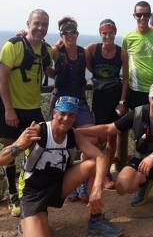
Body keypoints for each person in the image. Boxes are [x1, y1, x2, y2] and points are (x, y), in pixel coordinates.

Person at [0, 96, 123, 237]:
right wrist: (20, 144)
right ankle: (27, 223)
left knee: (93, 165)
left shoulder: (72, 134)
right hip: (32, 192)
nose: (66, 119)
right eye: (62, 114)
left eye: (71, 115)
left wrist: (97, 188)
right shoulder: (39, 131)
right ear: (54, 113)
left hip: (58, 184)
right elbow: (0, 160)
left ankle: (96, 220)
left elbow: (101, 156)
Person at [77, 82, 153, 226]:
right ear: (149, 99)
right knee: (122, 187)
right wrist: (77, 132)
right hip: (140, 159)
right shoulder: (138, 113)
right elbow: (109, 129)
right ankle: (145, 182)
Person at [0, 9, 52, 217]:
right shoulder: (13, 45)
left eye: (44, 24)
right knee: (10, 151)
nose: (40, 28)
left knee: (37, 150)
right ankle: (12, 195)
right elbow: (2, 78)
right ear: (28, 24)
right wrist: (9, 109)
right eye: (37, 23)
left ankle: (28, 190)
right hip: (12, 107)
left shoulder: (46, 49)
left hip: (33, 107)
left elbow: (52, 68)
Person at [47, 16, 94, 201]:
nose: (69, 35)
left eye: (72, 32)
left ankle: (81, 180)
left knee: (90, 138)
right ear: (61, 34)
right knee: (59, 142)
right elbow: (49, 70)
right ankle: (65, 183)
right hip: (60, 101)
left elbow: (95, 66)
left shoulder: (84, 53)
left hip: (79, 101)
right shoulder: (56, 52)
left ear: (77, 33)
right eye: (65, 32)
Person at [85, 19, 129, 189]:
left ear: (115, 32)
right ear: (100, 33)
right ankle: (96, 169)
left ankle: (107, 172)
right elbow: (83, 60)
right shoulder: (92, 49)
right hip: (99, 96)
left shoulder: (122, 53)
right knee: (98, 136)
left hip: (115, 95)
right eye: (104, 33)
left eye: (110, 32)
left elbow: (125, 80)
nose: (108, 36)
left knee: (112, 136)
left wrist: (122, 102)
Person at [123, 1, 153, 110]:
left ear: (150, 16)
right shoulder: (128, 37)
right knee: (137, 124)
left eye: (146, 14)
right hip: (135, 89)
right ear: (134, 16)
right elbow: (124, 64)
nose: (142, 18)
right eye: (139, 15)